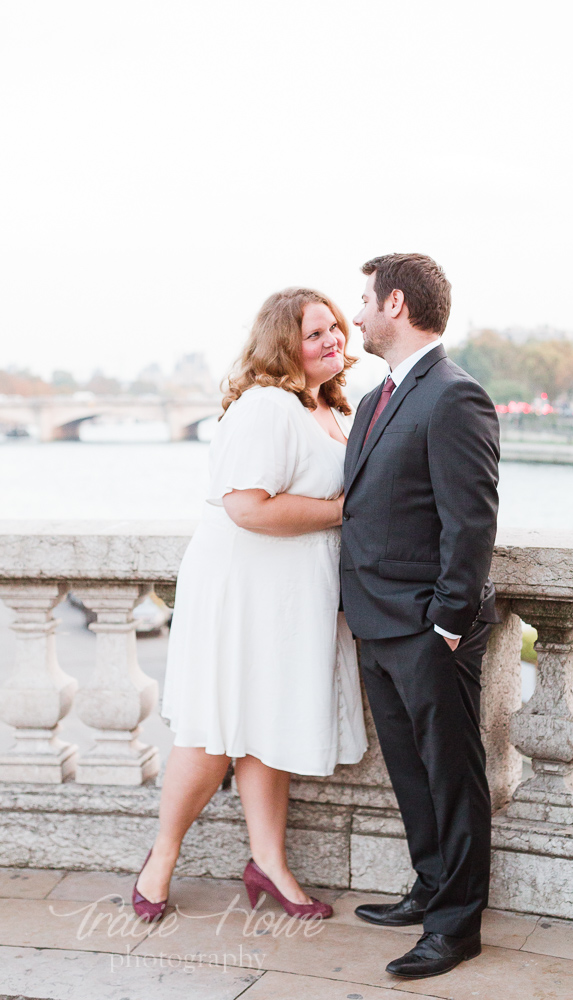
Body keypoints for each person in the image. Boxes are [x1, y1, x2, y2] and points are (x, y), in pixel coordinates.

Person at [132, 287, 368, 923]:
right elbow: (246, 507)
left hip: (294, 594)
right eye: (315, 333)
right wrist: (352, 510)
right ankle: (161, 858)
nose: (333, 341)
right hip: (245, 590)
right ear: (281, 344)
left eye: (336, 329)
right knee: (215, 731)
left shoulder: (329, 409)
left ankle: (269, 867)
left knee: (267, 726)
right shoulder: (267, 406)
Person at [341, 253, 500, 979]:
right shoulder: (377, 398)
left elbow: (469, 524)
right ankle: (429, 886)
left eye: (364, 300)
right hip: (375, 621)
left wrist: (445, 623)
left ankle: (455, 926)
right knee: (409, 772)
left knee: (450, 776)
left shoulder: (454, 396)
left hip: (425, 628)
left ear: (395, 303)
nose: (356, 314)